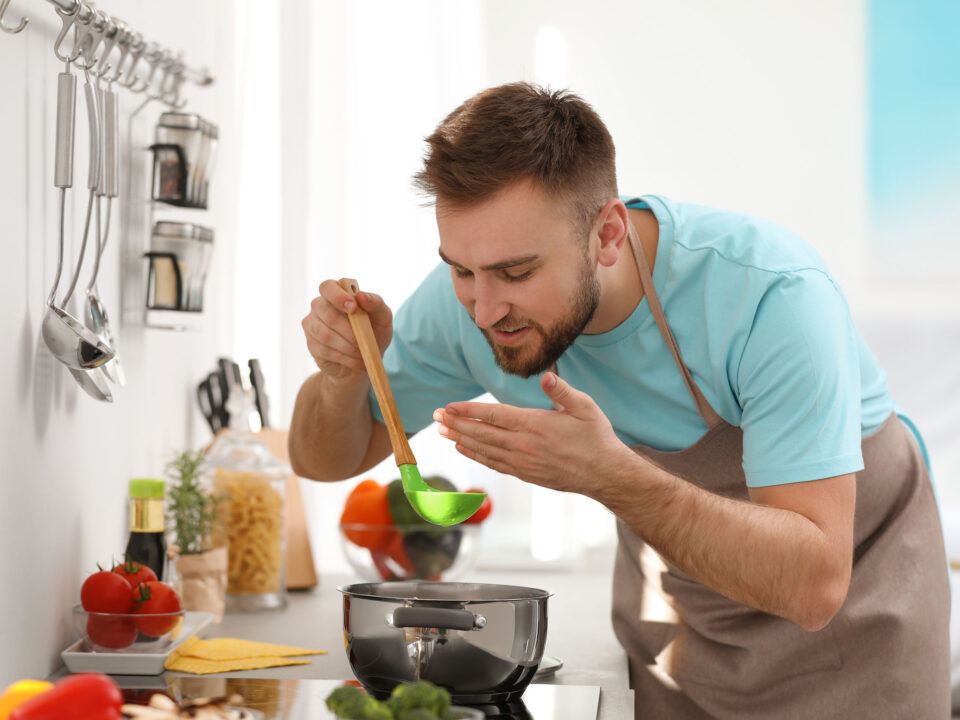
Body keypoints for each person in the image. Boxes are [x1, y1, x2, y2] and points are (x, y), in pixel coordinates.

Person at [289, 82, 950, 718]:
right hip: (682, 645)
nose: (484, 308)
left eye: (516, 272)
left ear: (607, 234)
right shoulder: (467, 302)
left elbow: (812, 585)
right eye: (462, 269)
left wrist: (607, 474)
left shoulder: (770, 297)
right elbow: (321, 459)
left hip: (857, 635)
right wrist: (343, 376)